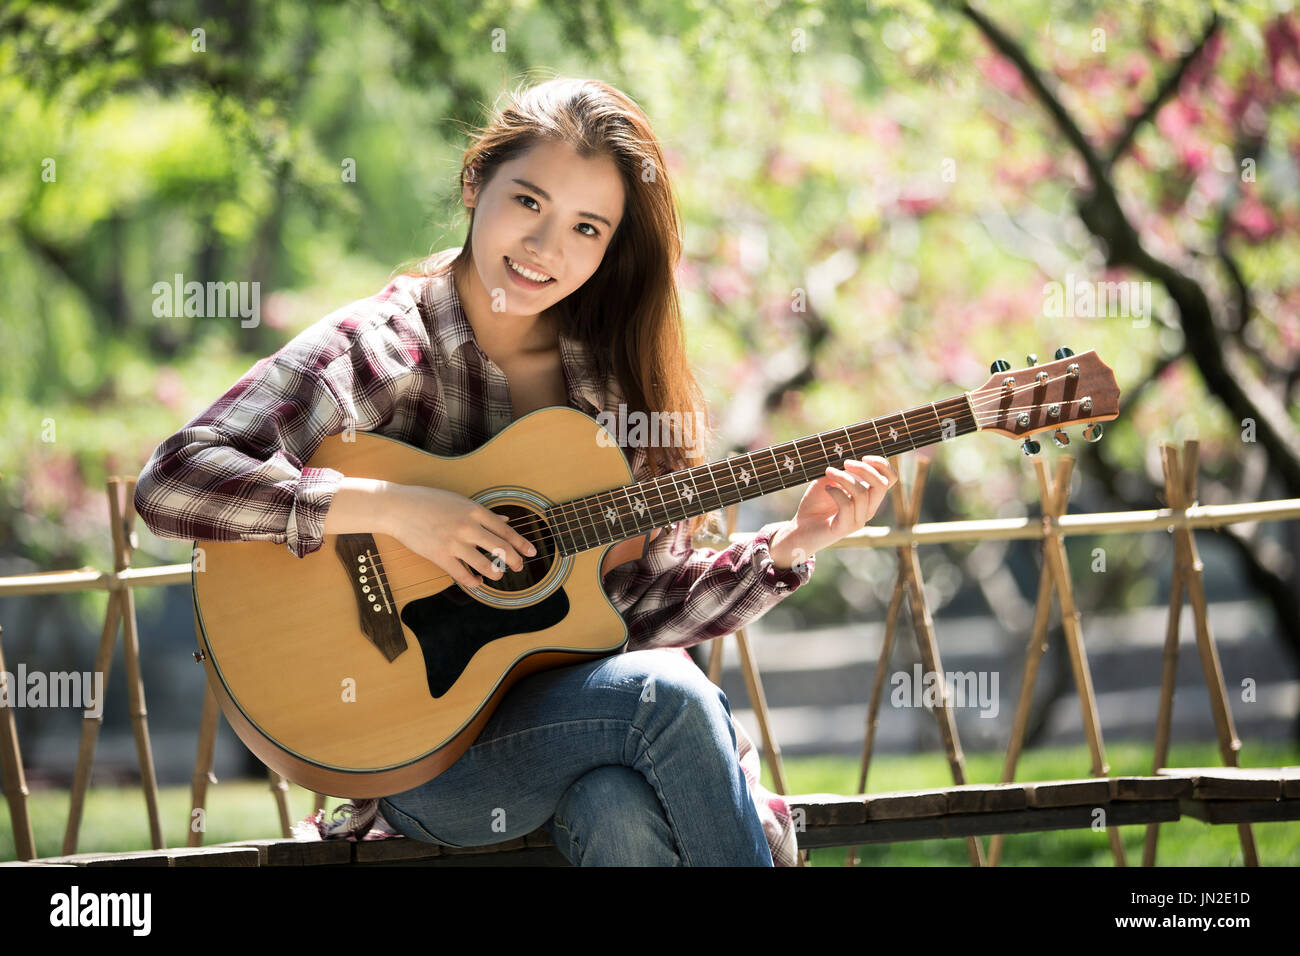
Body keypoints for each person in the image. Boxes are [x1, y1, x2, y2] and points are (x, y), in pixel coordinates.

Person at [134, 75, 898, 866]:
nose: (545, 248)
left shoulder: (608, 387)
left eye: (586, 228)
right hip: (419, 751)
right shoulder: (389, 347)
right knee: (665, 695)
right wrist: (397, 510)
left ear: (610, 249)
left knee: (618, 811)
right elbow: (175, 479)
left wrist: (789, 546)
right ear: (475, 183)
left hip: (572, 728)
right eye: (528, 202)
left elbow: (629, 612)